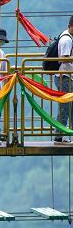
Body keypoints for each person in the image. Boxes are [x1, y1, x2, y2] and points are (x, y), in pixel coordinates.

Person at [53, 15, 73, 143]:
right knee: (65, 107)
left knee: (68, 107)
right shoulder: (67, 39)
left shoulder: (68, 37)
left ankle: (62, 134)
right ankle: (60, 135)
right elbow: (64, 58)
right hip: (64, 77)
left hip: (66, 77)